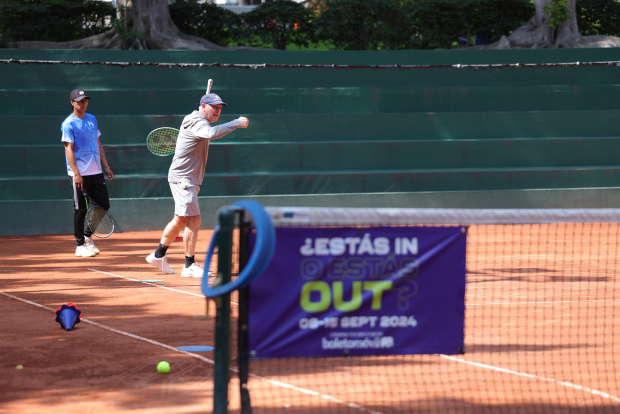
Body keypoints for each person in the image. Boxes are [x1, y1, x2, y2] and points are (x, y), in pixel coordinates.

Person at [146, 93, 248, 277]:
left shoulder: (198, 119)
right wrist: (236, 123)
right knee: (194, 219)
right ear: (203, 106)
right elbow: (210, 133)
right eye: (213, 107)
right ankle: (189, 265)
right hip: (184, 179)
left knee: (180, 219)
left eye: (219, 108)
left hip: (187, 179)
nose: (217, 111)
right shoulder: (196, 121)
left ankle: (158, 255)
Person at [62, 89, 114, 258]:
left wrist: (106, 166)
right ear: (72, 103)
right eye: (79, 101)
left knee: (104, 205)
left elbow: (98, 143)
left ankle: (87, 236)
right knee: (81, 209)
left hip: (96, 172)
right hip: (80, 174)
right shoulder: (68, 123)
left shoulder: (92, 119)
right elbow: (68, 150)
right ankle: (79, 245)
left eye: (85, 100)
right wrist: (76, 173)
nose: (83, 103)